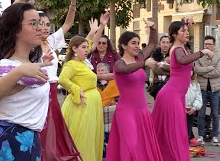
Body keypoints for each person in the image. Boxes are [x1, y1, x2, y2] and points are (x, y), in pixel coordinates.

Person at [0, 3, 53, 161]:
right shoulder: (7, 66)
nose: (40, 27)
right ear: (16, 29)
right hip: (7, 143)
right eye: (33, 23)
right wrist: (19, 72)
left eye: (40, 22)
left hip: (26, 142)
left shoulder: (27, 65)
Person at [152, 18, 214, 161]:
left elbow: (187, 56)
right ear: (174, 34)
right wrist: (203, 51)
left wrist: (185, 24)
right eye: (183, 31)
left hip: (176, 96)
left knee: (174, 132)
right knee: (174, 132)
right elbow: (183, 60)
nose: (187, 32)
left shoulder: (183, 48)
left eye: (187, 31)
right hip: (170, 96)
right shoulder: (178, 50)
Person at [106, 20, 163, 161]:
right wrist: (143, 63)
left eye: (138, 43)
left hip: (142, 111)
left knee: (142, 147)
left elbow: (152, 43)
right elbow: (124, 70)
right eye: (133, 43)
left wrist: (153, 28)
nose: (137, 46)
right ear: (124, 45)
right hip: (126, 112)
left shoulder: (139, 58)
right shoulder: (120, 63)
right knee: (130, 146)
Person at [38, 0, 81, 161]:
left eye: (48, 24)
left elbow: (68, 24)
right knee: (41, 131)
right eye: (41, 24)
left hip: (53, 92)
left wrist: (73, 4)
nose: (46, 28)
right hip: (37, 92)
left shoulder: (50, 41)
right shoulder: (28, 45)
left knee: (54, 133)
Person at [59, 36, 103, 161]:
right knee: (84, 139)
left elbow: (90, 42)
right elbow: (62, 79)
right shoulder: (71, 64)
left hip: (91, 106)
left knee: (91, 137)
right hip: (82, 106)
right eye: (83, 48)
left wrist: (100, 27)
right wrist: (75, 89)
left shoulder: (82, 63)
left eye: (87, 47)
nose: (87, 50)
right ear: (74, 49)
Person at [195, 35, 220, 146]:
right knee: (201, 113)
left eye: (210, 44)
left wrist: (204, 71)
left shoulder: (218, 55)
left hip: (215, 89)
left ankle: (215, 136)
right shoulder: (199, 55)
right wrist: (211, 67)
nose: (207, 46)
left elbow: (218, 72)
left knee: (215, 114)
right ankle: (200, 136)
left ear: (214, 45)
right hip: (202, 89)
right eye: (206, 44)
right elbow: (196, 69)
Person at [185, 69, 202, 147]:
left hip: (191, 110)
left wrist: (194, 108)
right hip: (181, 109)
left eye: (191, 70)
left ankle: (186, 144)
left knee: (188, 128)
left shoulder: (196, 85)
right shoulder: (180, 83)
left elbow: (199, 98)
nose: (189, 72)